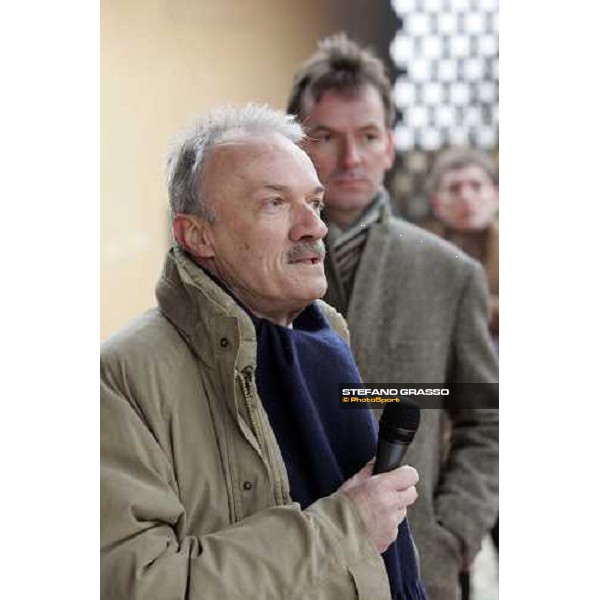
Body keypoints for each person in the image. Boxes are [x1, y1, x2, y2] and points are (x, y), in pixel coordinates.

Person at [101, 103, 428, 600]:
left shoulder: (326, 343)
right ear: (197, 235)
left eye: (314, 204)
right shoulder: (121, 377)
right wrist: (345, 528)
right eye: (275, 203)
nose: (314, 227)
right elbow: (138, 585)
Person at [287, 34, 499, 600]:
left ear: (390, 146)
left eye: (368, 136)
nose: (350, 159)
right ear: (295, 146)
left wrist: (451, 531)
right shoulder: (258, 264)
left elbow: (487, 420)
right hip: (285, 563)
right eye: (326, 137)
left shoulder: (449, 273)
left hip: (415, 564)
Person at [427, 147, 499, 345]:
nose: (466, 197)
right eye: (454, 188)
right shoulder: (420, 251)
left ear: (496, 196)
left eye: (476, 186)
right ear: (436, 203)